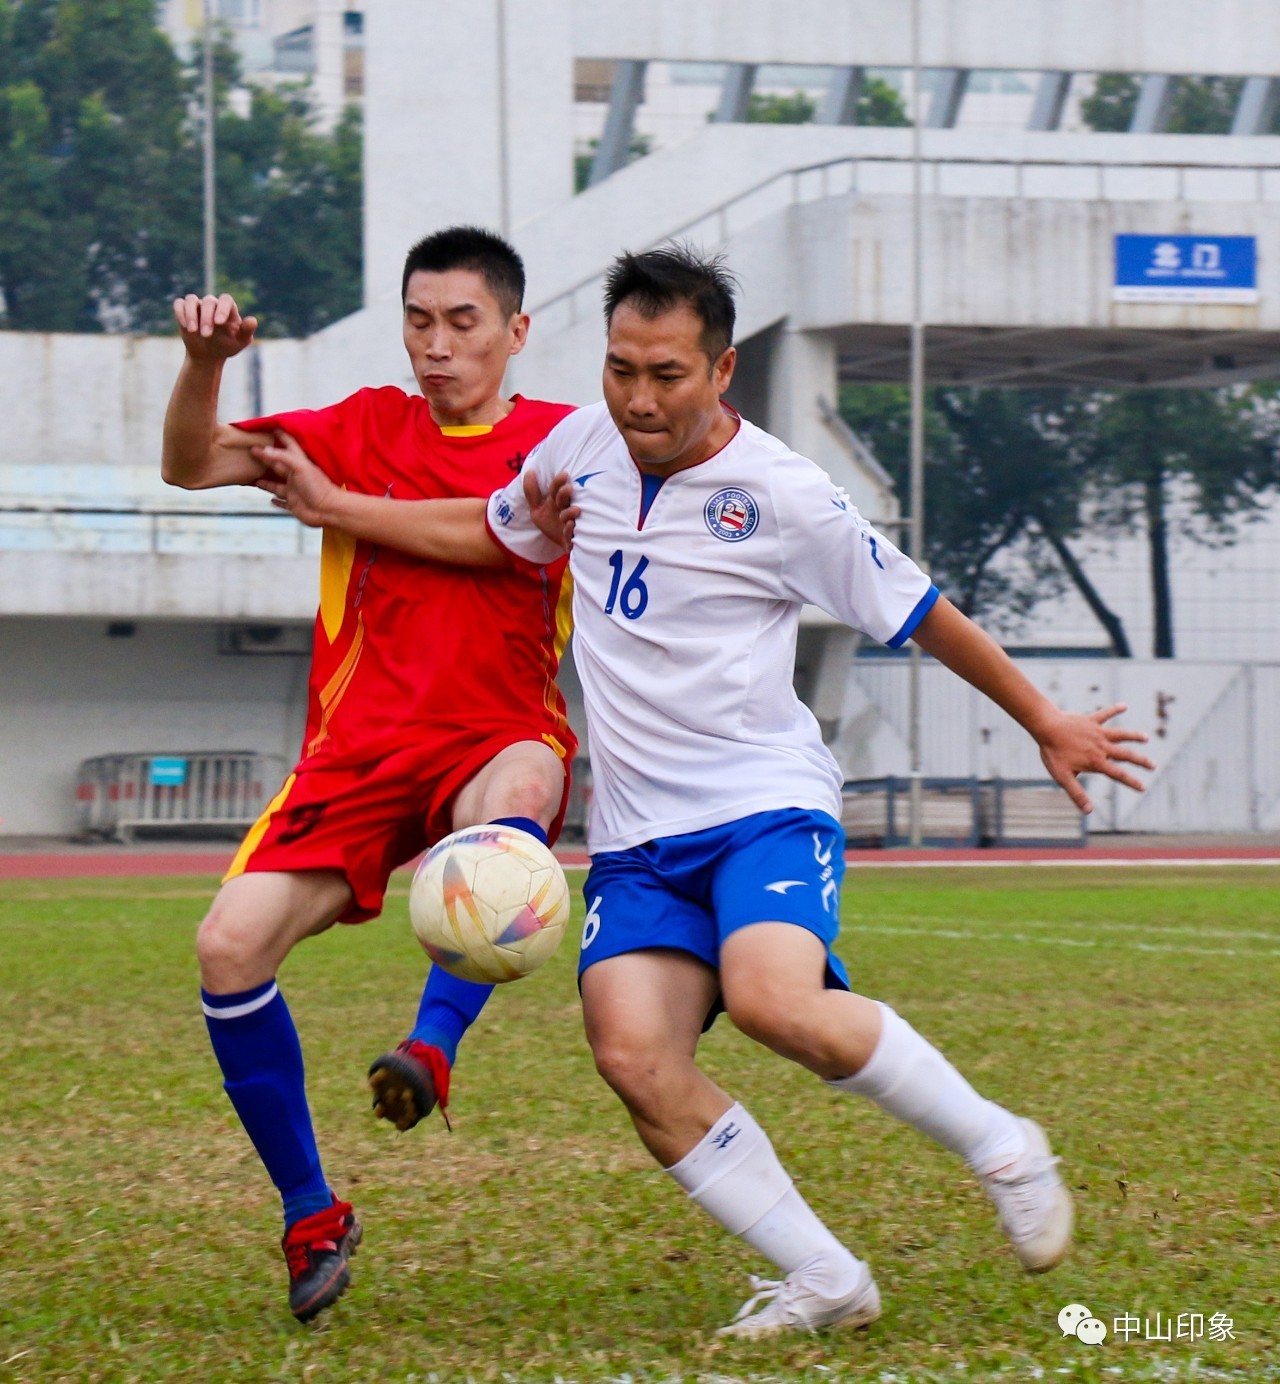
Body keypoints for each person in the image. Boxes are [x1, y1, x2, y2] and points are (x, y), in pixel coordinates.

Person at [255, 245, 1155, 1338]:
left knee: (776, 1000)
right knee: (633, 1057)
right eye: (621, 368)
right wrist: (336, 508)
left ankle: (1002, 1144)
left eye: (666, 374)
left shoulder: (784, 494)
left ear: (721, 369)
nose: (638, 397)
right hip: (636, 837)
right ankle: (825, 1276)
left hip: (760, 804)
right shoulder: (574, 448)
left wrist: (1044, 719)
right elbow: (487, 532)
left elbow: (918, 609)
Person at [161, 226, 579, 1322]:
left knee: (519, 801)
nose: (435, 346)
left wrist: (334, 507)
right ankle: (311, 1213)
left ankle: (430, 1049)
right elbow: (191, 462)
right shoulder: (357, 426)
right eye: (418, 320)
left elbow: (499, 539)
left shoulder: (562, 443)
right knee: (226, 944)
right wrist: (206, 363)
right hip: (353, 752)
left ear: (514, 331)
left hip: (494, 729)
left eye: (462, 322)